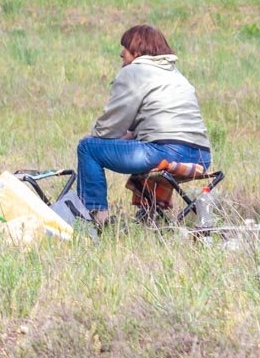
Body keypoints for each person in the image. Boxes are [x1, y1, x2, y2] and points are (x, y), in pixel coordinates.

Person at [76, 24, 211, 227]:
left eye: (125, 49)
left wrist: (96, 136)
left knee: (88, 148)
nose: (121, 54)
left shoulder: (134, 71)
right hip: (201, 156)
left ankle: (95, 220)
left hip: (166, 152)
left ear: (137, 52)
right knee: (135, 145)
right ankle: (149, 216)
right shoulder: (176, 75)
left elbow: (110, 127)